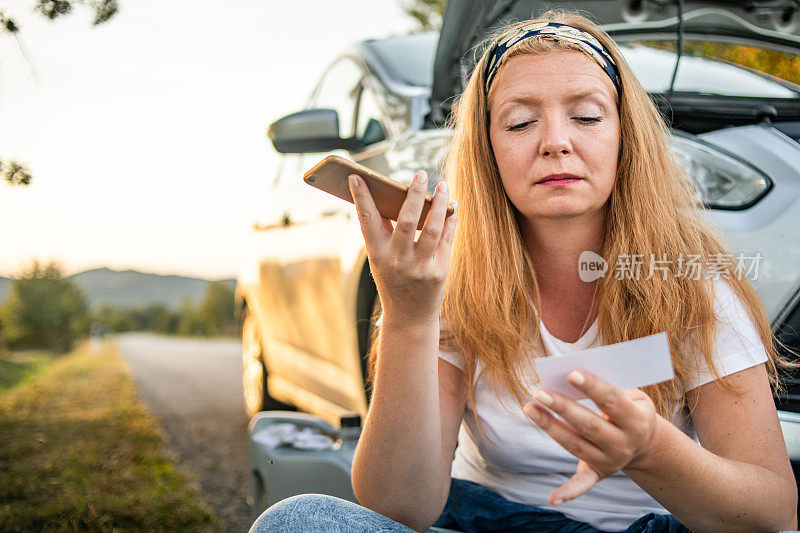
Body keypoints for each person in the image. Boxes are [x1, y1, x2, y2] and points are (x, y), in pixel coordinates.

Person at [250, 11, 798, 533]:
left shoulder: (693, 283)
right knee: (295, 520)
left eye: (586, 117)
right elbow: (398, 508)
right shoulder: (450, 282)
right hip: (485, 524)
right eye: (520, 122)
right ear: (488, 150)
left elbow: (772, 510)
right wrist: (407, 319)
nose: (556, 141)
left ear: (624, 139)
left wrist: (652, 451)